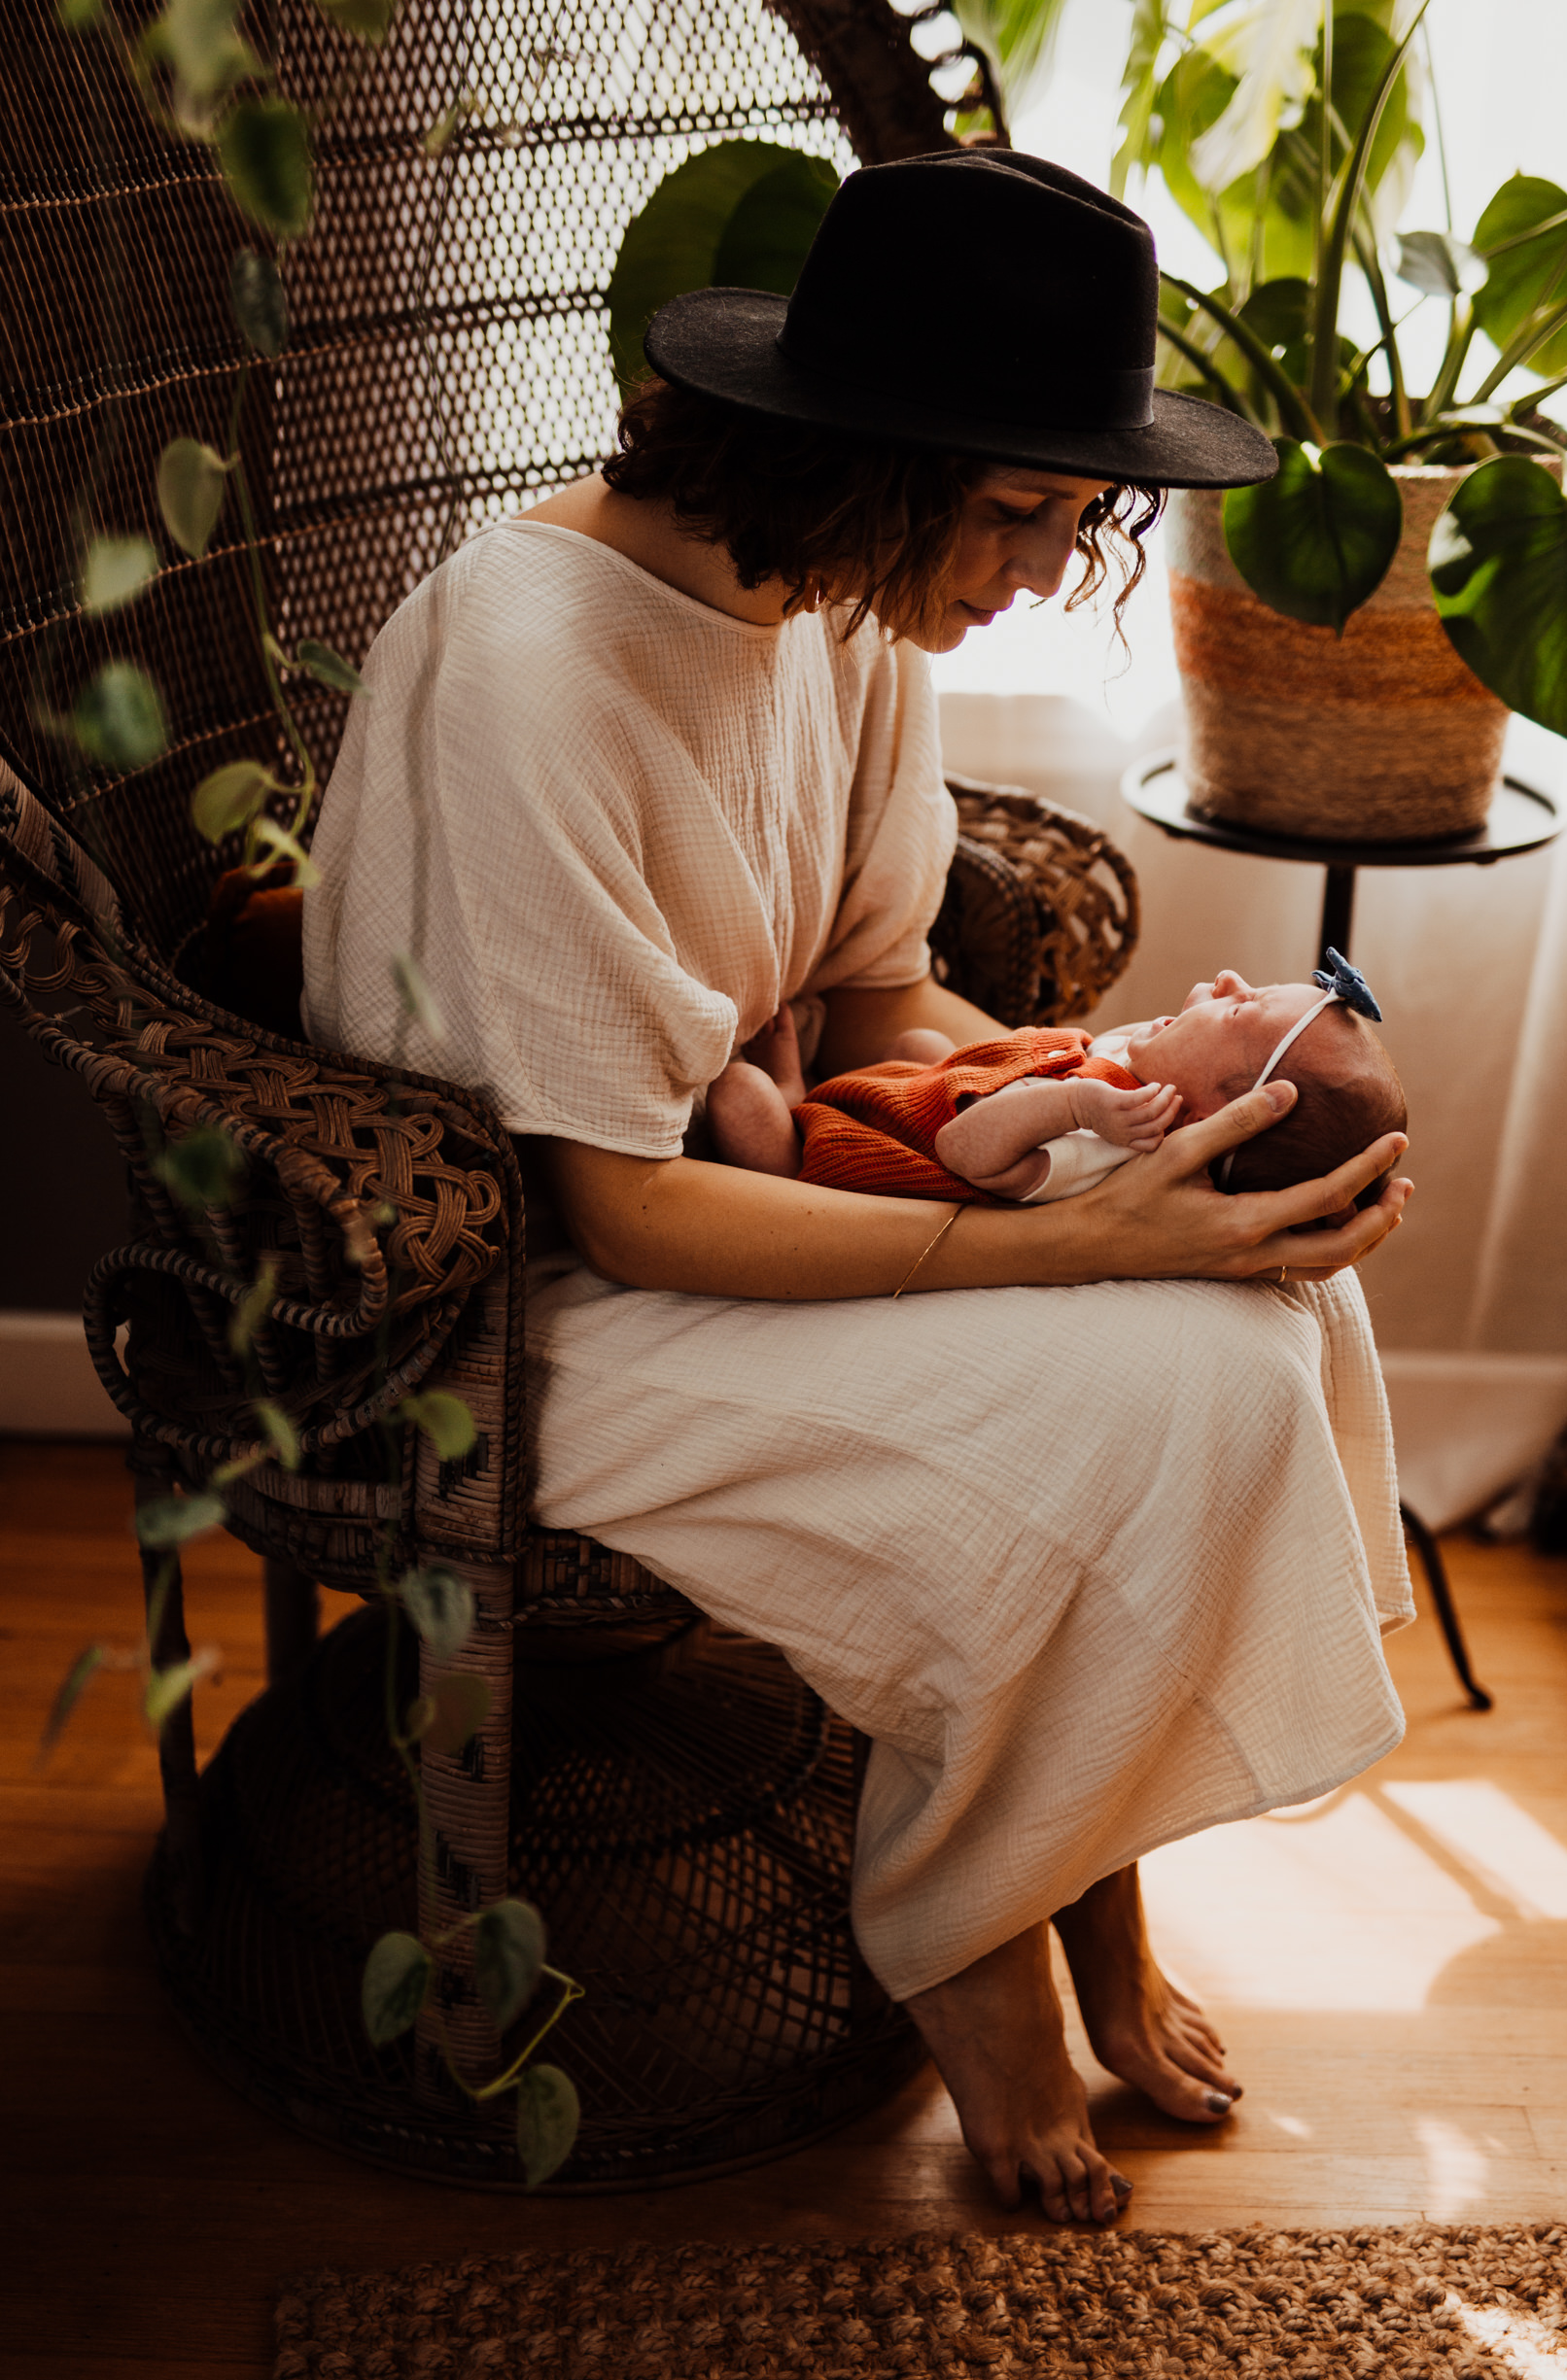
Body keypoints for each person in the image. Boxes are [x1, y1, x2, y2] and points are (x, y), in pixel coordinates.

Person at [301, 151, 1415, 2226]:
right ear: (849, 450)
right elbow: (620, 1211)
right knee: (1154, 1389)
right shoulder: (531, 663)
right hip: (528, 1296)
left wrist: (1103, 1112)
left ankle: (1076, 1860)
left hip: (759, 1183)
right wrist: (1074, 1239)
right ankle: (972, 1930)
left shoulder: (839, 597)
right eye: (1009, 513)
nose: (1030, 573)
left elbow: (878, 983)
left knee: (1274, 1304)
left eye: (1073, 521)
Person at [708, 954, 1407, 1210]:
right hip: (909, 1099)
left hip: (849, 1168)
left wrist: (1075, 1101)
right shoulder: (1142, 1074)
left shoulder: (1102, 1143)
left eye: (1237, 1007)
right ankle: (807, 1099)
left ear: (1209, 1114)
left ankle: (792, 1122)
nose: (1227, 979)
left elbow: (962, 1150)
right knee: (922, 1047)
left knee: (739, 1098)